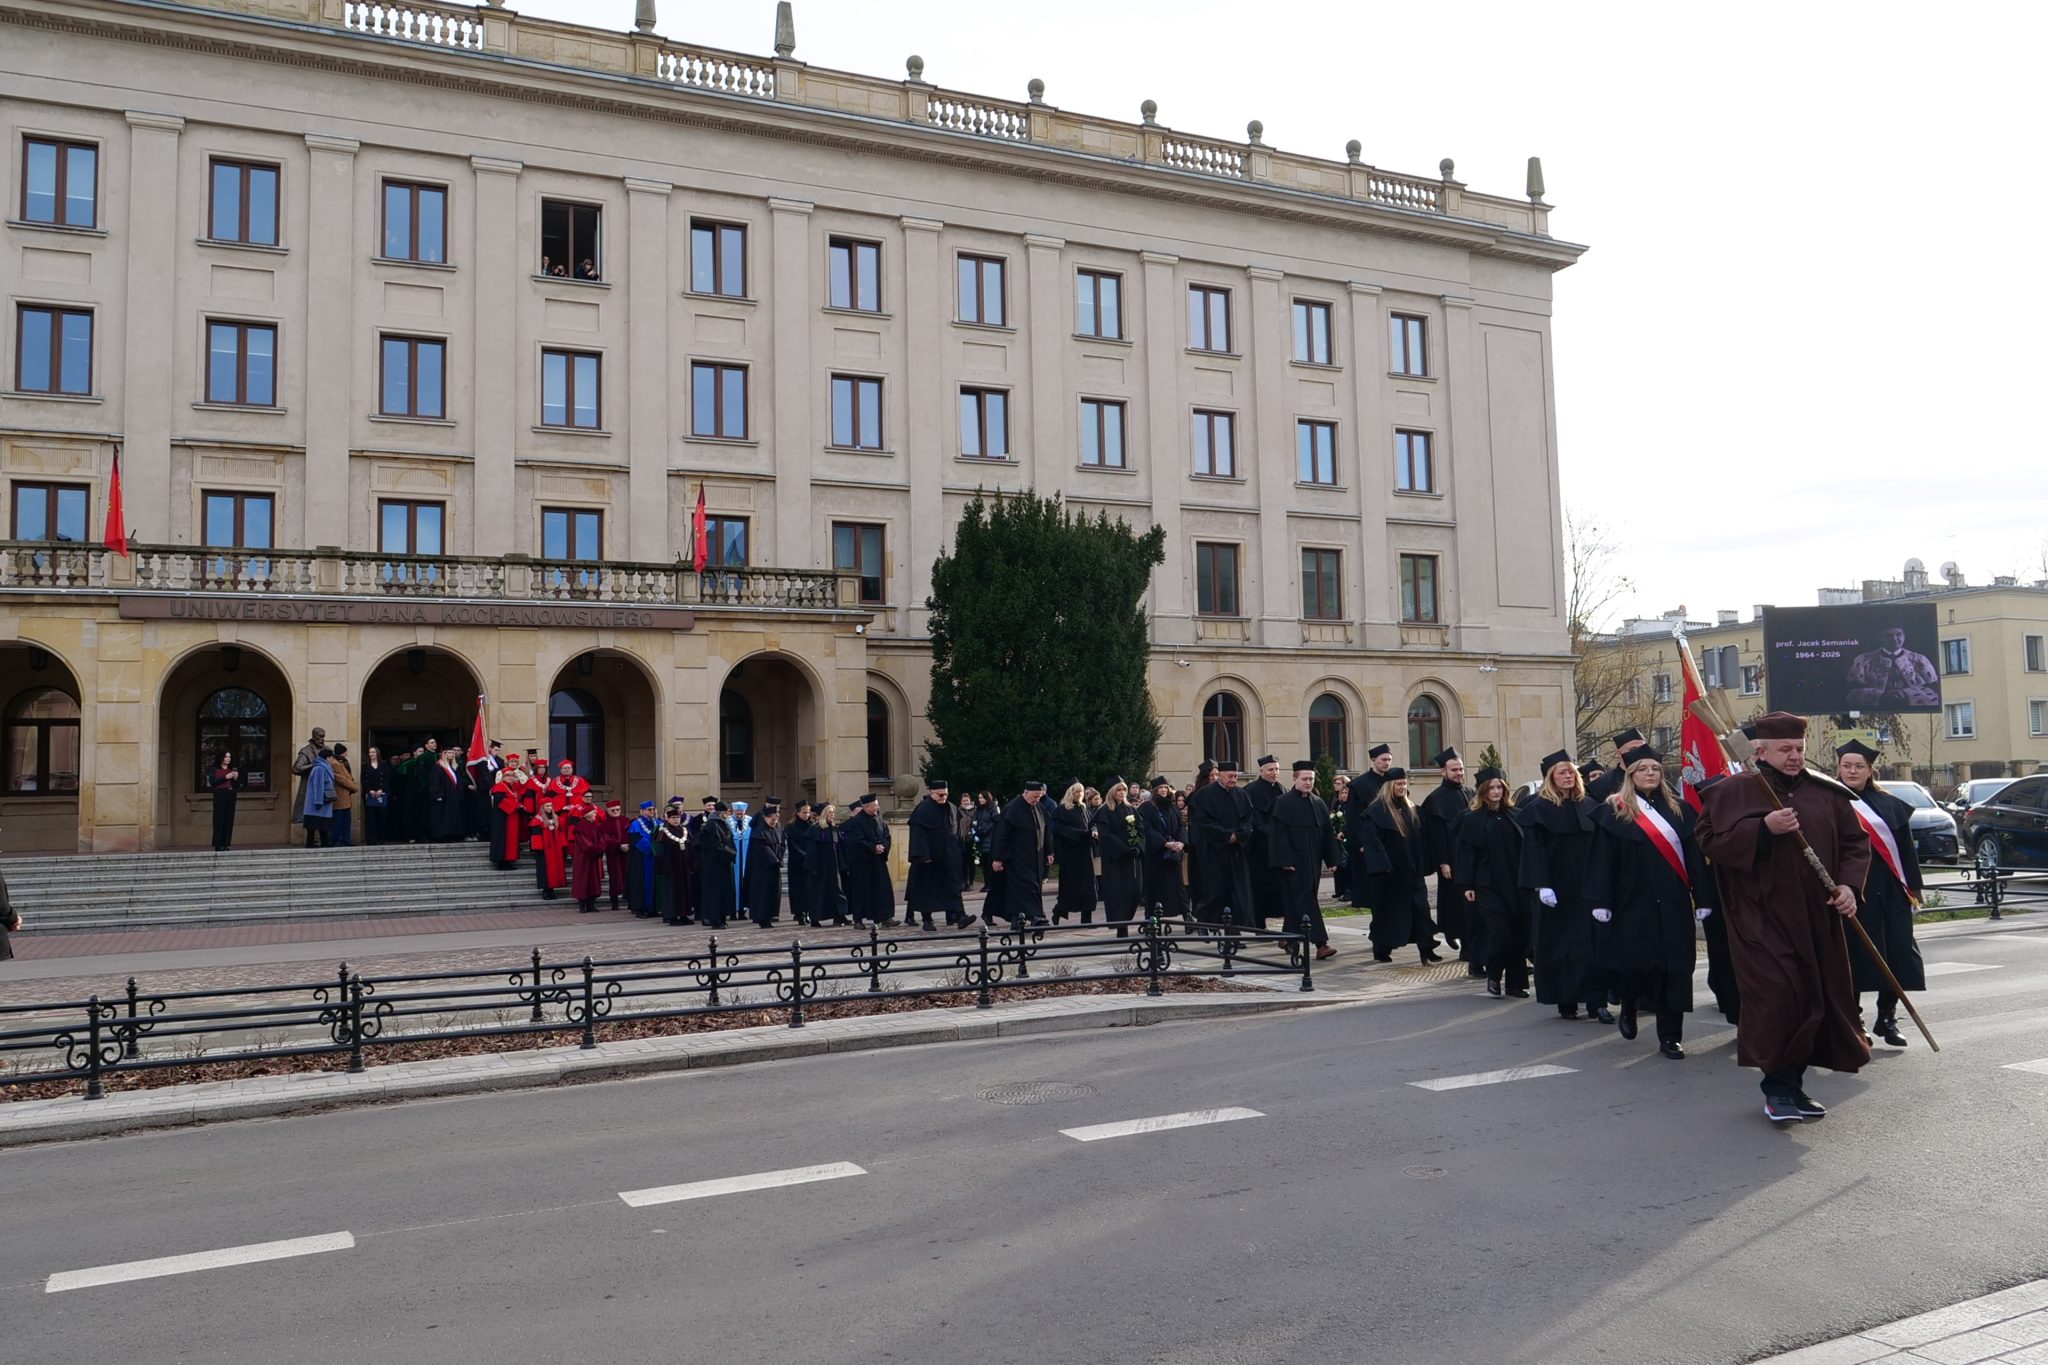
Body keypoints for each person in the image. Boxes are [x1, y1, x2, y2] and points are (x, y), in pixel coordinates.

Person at [1696, 711, 1872, 1124]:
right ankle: (1777, 1088)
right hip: (1760, 918)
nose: (1794, 757)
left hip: (1816, 918)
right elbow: (1708, 841)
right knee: (1779, 999)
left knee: (1815, 999)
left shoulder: (1826, 792)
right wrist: (1762, 829)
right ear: (1761, 750)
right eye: (1785, 750)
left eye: (1799, 749)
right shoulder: (1734, 790)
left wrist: (1848, 887)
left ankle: (1792, 1087)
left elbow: (1854, 844)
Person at [1586, 748, 1717, 1059]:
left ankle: (1670, 1035)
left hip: (1673, 901)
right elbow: (1601, 860)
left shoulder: (1681, 811)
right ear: (1630, 775)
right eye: (1643, 769)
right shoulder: (1614, 810)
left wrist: (1704, 897)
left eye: (1655, 769)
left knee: (1675, 968)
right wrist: (1600, 900)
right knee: (1636, 964)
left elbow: (1696, 859)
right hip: (1631, 901)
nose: (1650, 774)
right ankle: (1629, 1002)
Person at [1834, 739, 1927, 1048]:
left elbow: (1904, 852)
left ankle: (1886, 1017)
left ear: (1870, 770)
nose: (1852, 771)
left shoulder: (1890, 805)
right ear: (1839, 768)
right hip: (1853, 893)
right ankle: (1854, 1020)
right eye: (1846, 766)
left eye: (1858, 766)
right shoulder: (1830, 801)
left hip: (1890, 892)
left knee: (1897, 955)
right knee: (1854, 958)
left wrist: (1913, 889)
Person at [1519, 750, 1609, 1022]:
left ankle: (1597, 1001)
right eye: (1562, 772)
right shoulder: (1538, 808)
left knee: (1595, 944)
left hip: (1588, 886)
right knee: (1563, 946)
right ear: (1551, 778)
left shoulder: (1591, 804)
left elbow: (1602, 848)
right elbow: (1534, 849)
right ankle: (1566, 1000)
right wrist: (1542, 885)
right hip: (1557, 889)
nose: (1568, 776)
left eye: (1571, 771)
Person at [1456, 767, 1528, 997]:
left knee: (1518, 932)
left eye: (1499, 787)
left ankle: (1515, 984)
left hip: (1515, 882)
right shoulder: (1472, 819)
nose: (1496, 792)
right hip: (1487, 884)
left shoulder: (1515, 815)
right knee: (1500, 931)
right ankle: (1494, 975)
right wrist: (1467, 885)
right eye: (1491, 788)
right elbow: (1465, 854)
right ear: (1483, 791)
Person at [1363, 769, 1437, 963]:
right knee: (1387, 913)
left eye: (1404, 784)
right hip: (1389, 873)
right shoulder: (1377, 811)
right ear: (1389, 786)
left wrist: (1423, 864)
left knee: (1420, 909)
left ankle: (1426, 948)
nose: (1402, 787)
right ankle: (1381, 948)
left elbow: (1422, 840)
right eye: (1398, 784)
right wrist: (1383, 865)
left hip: (1412, 871)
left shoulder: (1412, 809)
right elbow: (1373, 842)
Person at [1270, 761, 1341, 960]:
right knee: (1306, 900)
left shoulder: (1318, 803)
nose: (1308, 782)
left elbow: (1328, 833)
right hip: (1291, 864)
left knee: (1298, 903)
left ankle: (1287, 938)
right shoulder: (1282, 803)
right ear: (1294, 779)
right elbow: (1277, 835)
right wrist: (1283, 859)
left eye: (1311, 779)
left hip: (1313, 863)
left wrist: (1332, 859)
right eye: (1304, 779)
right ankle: (1321, 943)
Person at [1420, 748, 1479, 975]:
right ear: (1443, 771)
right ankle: (1456, 935)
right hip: (1451, 860)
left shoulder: (1471, 792)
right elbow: (1435, 835)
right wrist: (1443, 861)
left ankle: (1468, 945)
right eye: (1454, 770)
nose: (1459, 773)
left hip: (1470, 858)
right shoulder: (1435, 799)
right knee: (1454, 903)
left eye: (1461, 769)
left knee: (1471, 904)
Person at [1189, 761, 1256, 929]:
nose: (1233, 780)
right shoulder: (1203, 795)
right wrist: (1226, 836)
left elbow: (1248, 820)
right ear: (1220, 776)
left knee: (1238, 892)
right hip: (1214, 851)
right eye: (1230, 776)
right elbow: (1202, 822)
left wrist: (1238, 836)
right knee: (1215, 892)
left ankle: (1235, 930)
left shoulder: (1242, 795)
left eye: (1235, 776)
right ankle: (1204, 923)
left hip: (1236, 851)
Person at [990, 781, 1053, 927]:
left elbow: (1045, 830)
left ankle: (1020, 919)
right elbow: (1002, 835)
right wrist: (998, 858)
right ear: (1025, 793)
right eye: (1034, 796)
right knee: (1026, 886)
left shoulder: (1039, 807)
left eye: (1039, 796)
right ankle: (1035, 916)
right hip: (1018, 857)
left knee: (1034, 886)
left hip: (1036, 856)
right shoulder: (1012, 808)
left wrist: (1049, 851)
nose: (1036, 800)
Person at [907, 779, 968, 932]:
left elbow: (958, 833)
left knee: (954, 887)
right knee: (927, 890)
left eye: (946, 794)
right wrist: (923, 855)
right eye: (940, 795)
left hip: (950, 857)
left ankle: (960, 916)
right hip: (930, 859)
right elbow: (918, 835)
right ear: (932, 793)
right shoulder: (922, 811)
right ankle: (927, 919)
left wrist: (960, 851)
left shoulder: (952, 808)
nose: (943, 798)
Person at [1091, 780, 1144, 936]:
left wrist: (1139, 847)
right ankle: (1121, 926)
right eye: (1119, 790)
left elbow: (1141, 830)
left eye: (1124, 790)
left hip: (1132, 859)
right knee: (1118, 892)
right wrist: (1124, 849)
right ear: (1112, 792)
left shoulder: (1131, 810)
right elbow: (1106, 836)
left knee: (1135, 891)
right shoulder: (1105, 811)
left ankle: (1126, 919)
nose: (1122, 792)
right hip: (1116, 859)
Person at [1345, 744, 1394, 908]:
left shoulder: (1393, 780)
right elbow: (1353, 817)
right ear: (1373, 760)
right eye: (1383, 760)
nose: (1387, 763)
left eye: (1389, 760)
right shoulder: (1359, 784)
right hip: (1368, 840)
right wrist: (1362, 843)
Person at [1140, 774, 1191, 926]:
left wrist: (1181, 842)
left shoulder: (1172, 805)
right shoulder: (1147, 807)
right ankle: (1153, 918)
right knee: (1155, 888)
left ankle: (1186, 915)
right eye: (1160, 788)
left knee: (1179, 887)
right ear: (1155, 790)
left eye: (1165, 787)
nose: (1163, 790)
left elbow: (1181, 826)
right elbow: (1147, 829)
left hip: (1173, 854)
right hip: (1156, 855)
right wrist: (1164, 843)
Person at [1846, 626, 1940, 709]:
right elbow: (1852, 693)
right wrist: (1881, 696)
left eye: (1898, 635)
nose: (1894, 639)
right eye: (1888, 636)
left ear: (1904, 636)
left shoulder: (1919, 659)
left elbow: (1933, 690)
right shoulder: (1864, 660)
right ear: (1880, 638)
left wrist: (1906, 694)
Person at [840, 794, 895, 927]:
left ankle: (884, 917)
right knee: (862, 891)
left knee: (882, 889)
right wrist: (872, 848)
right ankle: (858, 920)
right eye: (875, 805)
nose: (878, 807)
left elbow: (887, 836)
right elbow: (856, 841)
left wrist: (883, 847)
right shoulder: (857, 822)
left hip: (878, 862)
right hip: (863, 863)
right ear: (866, 806)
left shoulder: (879, 820)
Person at [1245, 756, 1287, 930]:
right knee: (1259, 887)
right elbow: (1252, 819)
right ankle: (1259, 925)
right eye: (1270, 770)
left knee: (1279, 887)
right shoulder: (1250, 790)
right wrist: (1271, 835)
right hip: (1259, 848)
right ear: (1261, 771)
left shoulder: (1282, 789)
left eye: (1277, 769)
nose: (1274, 773)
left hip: (1278, 848)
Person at [1051, 781, 1097, 925]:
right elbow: (1059, 829)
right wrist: (1082, 834)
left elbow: (1092, 823)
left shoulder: (1084, 808)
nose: (1080, 794)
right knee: (1070, 886)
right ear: (1070, 793)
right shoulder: (1062, 809)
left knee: (1088, 885)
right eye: (1077, 792)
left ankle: (1087, 919)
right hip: (1070, 854)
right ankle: (1059, 910)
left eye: (1082, 792)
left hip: (1085, 852)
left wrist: (1094, 831)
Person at [695, 801, 739, 928]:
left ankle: (722, 917)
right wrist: (731, 853)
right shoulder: (712, 825)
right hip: (715, 865)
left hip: (724, 863)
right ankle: (715, 919)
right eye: (727, 812)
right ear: (722, 813)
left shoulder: (722, 824)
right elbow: (716, 845)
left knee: (724, 892)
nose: (728, 814)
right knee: (715, 893)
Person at [746, 804, 786, 928]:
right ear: (766, 819)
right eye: (772, 820)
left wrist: (779, 858)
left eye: (776, 820)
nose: (774, 822)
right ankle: (762, 918)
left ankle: (770, 916)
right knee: (763, 893)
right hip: (763, 868)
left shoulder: (777, 830)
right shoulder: (759, 832)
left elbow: (782, 844)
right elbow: (762, 849)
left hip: (774, 866)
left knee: (773, 893)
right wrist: (774, 860)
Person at [653, 807, 692, 925]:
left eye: (678, 818)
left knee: (685, 890)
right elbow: (660, 852)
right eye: (673, 818)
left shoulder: (684, 831)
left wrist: (692, 865)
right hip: (671, 868)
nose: (676, 820)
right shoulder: (663, 832)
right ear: (668, 819)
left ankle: (684, 914)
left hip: (684, 867)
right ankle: (672, 916)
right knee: (672, 891)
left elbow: (690, 849)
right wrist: (662, 868)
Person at [1585, 730, 1646, 803]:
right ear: (1619, 753)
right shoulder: (1599, 786)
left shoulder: (1654, 780)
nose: (1640, 752)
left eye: (1643, 748)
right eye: (1633, 749)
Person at [571, 805, 609, 913]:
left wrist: (601, 848)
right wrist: (595, 850)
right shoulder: (580, 827)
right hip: (583, 858)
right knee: (583, 880)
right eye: (593, 813)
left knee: (593, 880)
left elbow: (601, 839)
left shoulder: (595, 826)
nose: (595, 815)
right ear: (588, 815)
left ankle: (591, 904)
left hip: (593, 857)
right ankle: (582, 904)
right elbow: (584, 842)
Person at [626, 801, 660, 917]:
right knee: (641, 883)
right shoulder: (636, 824)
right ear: (642, 811)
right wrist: (652, 848)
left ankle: (653, 908)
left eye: (653, 809)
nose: (652, 812)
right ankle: (641, 908)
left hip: (655, 858)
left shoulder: (658, 822)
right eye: (649, 809)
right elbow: (636, 839)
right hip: (642, 858)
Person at [530, 800, 569, 899]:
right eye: (547, 806)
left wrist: (563, 847)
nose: (549, 807)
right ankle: (545, 891)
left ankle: (552, 890)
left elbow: (560, 833)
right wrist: (538, 849)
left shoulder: (556, 819)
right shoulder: (537, 820)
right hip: (544, 850)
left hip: (555, 849)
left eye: (551, 805)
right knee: (545, 870)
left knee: (555, 870)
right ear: (542, 807)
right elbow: (536, 836)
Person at [466, 741, 503, 842]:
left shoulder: (500, 761)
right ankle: (482, 833)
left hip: (496, 790)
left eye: (498, 750)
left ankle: (491, 833)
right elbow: (483, 774)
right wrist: (491, 786)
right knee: (483, 813)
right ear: (490, 749)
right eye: (495, 749)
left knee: (492, 813)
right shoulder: (483, 760)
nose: (497, 752)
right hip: (484, 790)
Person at [291, 726, 327, 828]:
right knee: (307, 813)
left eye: (323, 737)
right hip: (309, 786)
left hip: (323, 787)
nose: (322, 739)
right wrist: (313, 765)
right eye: (320, 737)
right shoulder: (306, 751)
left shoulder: (327, 750)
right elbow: (296, 769)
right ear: (314, 737)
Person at [300, 746, 336, 848]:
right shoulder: (320, 769)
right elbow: (318, 786)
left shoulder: (322, 768)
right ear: (327, 758)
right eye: (331, 758)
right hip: (318, 803)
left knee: (321, 826)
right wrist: (318, 801)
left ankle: (323, 843)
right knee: (316, 826)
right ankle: (312, 843)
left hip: (322, 803)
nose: (332, 760)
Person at [429, 746, 466, 843]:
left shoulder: (454, 766)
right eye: (449, 752)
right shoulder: (439, 766)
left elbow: (459, 781)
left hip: (453, 796)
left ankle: (453, 834)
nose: (451, 754)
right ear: (444, 754)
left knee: (452, 816)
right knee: (443, 816)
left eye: (452, 753)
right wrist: (437, 795)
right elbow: (435, 781)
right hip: (444, 796)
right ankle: (442, 835)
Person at [208, 750, 242, 851]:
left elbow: (237, 785)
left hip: (230, 794)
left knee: (229, 819)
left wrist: (236, 778)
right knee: (219, 819)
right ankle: (218, 844)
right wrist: (226, 777)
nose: (228, 759)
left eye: (229, 757)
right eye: (226, 757)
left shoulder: (232, 769)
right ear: (221, 758)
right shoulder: (214, 769)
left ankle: (226, 844)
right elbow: (213, 782)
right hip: (219, 795)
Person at [327, 743, 358, 848]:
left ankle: (345, 840)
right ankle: (336, 840)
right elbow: (342, 780)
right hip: (340, 797)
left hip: (344, 797)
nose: (346, 754)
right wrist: (354, 787)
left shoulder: (341, 762)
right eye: (345, 752)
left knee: (345, 820)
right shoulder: (335, 763)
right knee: (338, 820)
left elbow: (348, 777)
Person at [360, 746, 391, 846]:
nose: (371, 754)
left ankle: (381, 838)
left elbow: (387, 779)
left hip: (382, 794)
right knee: (370, 818)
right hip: (370, 795)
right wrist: (370, 790)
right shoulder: (365, 766)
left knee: (382, 817)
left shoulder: (384, 765)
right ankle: (371, 839)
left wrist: (382, 789)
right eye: (370, 752)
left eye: (373, 752)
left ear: (377, 753)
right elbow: (363, 780)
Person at [1330, 773, 1352, 903]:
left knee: (1347, 865)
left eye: (1338, 784)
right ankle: (1340, 889)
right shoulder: (1337, 804)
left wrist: (1343, 832)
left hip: (1346, 838)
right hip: (1338, 838)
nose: (1343, 795)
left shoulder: (1349, 806)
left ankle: (1348, 890)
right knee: (1340, 864)